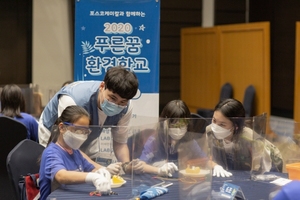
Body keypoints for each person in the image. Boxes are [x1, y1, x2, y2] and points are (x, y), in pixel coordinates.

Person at [38, 66, 139, 175]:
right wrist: (102, 170)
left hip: (88, 134)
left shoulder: (126, 108)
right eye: (112, 98)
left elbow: (120, 143)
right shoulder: (73, 99)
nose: (116, 105)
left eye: (122, 102)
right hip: (57, 135)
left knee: (89, 171)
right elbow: (68, 144)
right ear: (102, 86)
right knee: (65, 169)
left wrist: (127, 166)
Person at [39, 105, 111, 199]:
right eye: (78, 130)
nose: (81, 135)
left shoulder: (75, 151)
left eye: (85, 132)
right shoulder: (51, 152)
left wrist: (102, 172)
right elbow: (61, 176)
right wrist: (93, 177)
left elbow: (91, 168)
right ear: (62, 127)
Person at [126, 100, 208, 177]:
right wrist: (159, 170)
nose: (178, 129)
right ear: (165, 124)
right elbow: (141, 165)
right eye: (174, 125)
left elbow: (205, 161)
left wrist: (216, 166)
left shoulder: (189, 142)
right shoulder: (154, 141)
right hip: (157, 181)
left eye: (182, 125)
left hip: (181, 183)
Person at [206, 98, 283, 177]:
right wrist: (215, 166)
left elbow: (261, 170)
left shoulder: (251, 140)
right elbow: (205, 157)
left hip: (269, 168)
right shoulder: (210, 131)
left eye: (222, 124)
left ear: (236, 126)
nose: (215, 127)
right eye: (214, 120)